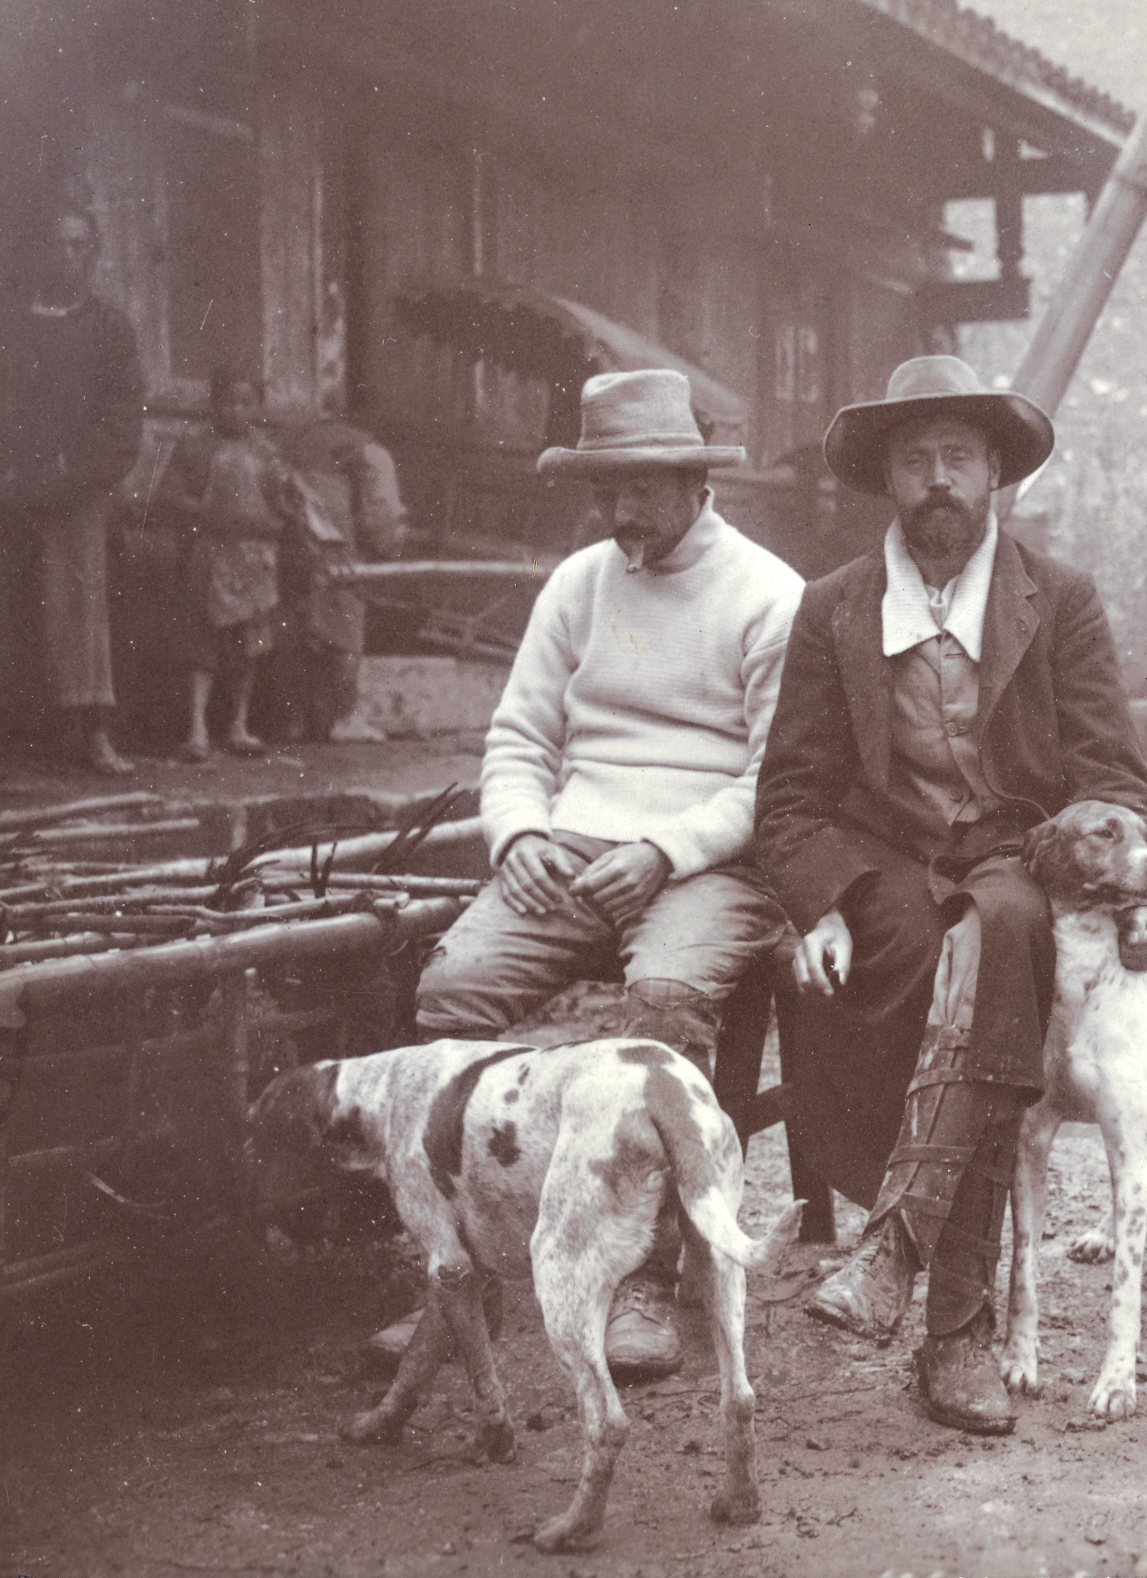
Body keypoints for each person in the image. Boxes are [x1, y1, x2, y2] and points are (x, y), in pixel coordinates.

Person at [754, 354, 1147, 1436]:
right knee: (928, 956)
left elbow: (1112, 773)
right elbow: (790, 793)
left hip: (1015, 853)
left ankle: (939, 1305)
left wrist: (1130, 886)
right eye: (914, 461)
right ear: (887, 479)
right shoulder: (833, 608)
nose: (937, 480)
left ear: (994, 473)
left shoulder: (1057, 598)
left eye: (956, 458)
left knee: (1006, 928)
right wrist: (820, 901)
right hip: (882, 855)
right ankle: (948, 1315)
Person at [389, 368, 804, 1381]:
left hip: (710, 859)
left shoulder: (768, 593)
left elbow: (778, 778)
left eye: (640, 488)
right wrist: (519, 833)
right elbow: (520, 735)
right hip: (571, 849)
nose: (620, 511)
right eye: (603, 488)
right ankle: (460, 1279)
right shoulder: (578, 581)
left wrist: (664, 850)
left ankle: (649, 1280)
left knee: (662, 1001)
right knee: (450, 992)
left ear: (693, 477)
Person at [0, 206, 146, 774]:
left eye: (79, 246)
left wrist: (70, 470)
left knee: (80, 609)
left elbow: (123, 415)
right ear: (40, 251)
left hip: (76, 489)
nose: (68, 256)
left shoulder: (109, 328)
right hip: (8, 488)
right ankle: (17, 738)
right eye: (58, 244)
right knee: (6, 607)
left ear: (94, 254)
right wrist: (0, 467)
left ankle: (93, 732)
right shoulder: (7, 325)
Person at [166, 371, 303, 761]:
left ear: (257, 407)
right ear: (214, 404)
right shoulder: (194, 447)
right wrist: (210, 514)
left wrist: (282, 514)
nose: (236, 410)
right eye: (228, 401)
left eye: (246, 402)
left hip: (257, 559)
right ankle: (197, 730)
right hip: (210, 553)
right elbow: (171, 498)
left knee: (251, 645)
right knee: (203, 644)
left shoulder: (268, 453)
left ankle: (238, 726)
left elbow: (287, 504)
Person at [269, 415, 407, 742]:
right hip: (333, 536)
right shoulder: (374, 454)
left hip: (289, 538)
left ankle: (294, 719)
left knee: (296, 625)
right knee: (345, 626)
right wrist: (389, 546)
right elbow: (382, 514)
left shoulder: (289, 438)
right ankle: (344, 718)